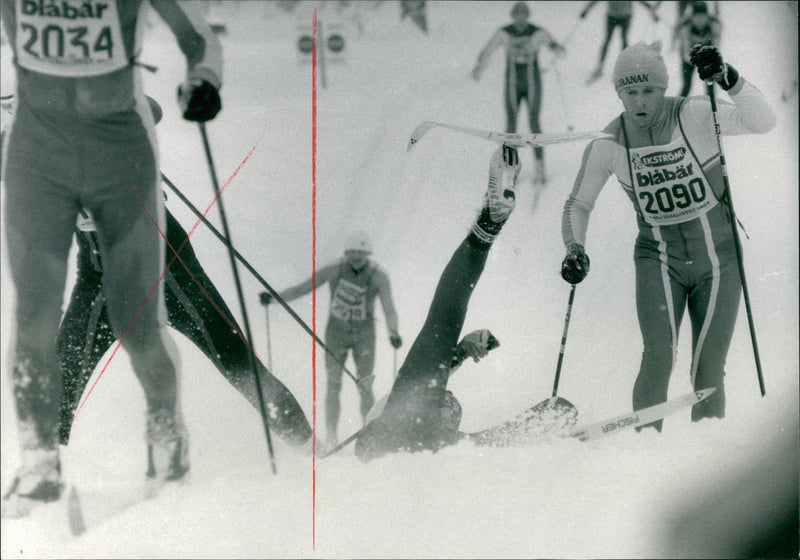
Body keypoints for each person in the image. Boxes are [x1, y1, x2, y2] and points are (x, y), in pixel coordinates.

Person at [1, 0, 222, 518]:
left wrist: (205, 77)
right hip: (38, 155)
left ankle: (168, 442)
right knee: (32, 317)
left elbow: (197, 35)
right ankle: (39, 465)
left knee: (138, 321)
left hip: (119, 152)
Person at [559, 42, 776, 430]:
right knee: (658, 355)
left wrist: (729, 79)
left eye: (649, 91)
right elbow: (577, 205)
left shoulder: (694, 113)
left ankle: (706, 454)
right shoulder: (608, 144)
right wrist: (575, 249)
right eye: (630, 92)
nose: (640, 102)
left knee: (707, 369)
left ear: (662, 89)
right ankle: (643, 451)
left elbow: (763, 121)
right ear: (619, 93)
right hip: (658, 259)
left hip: (719, 259)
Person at [57, 205, 313, 450]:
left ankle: (307, 446)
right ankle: (43, 468)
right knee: (61, 372)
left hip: (167, 267)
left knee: (235, 359)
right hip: (103, 275)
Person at [355, 145, 520, 462]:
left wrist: (459, 351)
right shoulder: (434, 431)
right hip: (402, 434)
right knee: (445, 319)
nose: (448, 400)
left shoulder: (410, 416)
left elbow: (432, 375)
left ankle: (489, 222)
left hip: (394, 433)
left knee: (444, 321)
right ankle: (488, 223)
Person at [262, 232, 401, 446]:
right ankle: (332, 434)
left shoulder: (377, 275)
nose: (356, 258)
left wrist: (393, 332)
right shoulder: (335, 269)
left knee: (365, 385)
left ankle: (369, 434)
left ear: (367, 255)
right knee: (334, 384)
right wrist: (274, 298)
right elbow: (303, 288)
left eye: (361, 254)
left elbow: (388, 307)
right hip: (336, 333)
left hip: (365, 335)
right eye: (352, 253)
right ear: (346, 253)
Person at [472, 1, 565, 185]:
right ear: (513, 16)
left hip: (532, 82)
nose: (520, 20)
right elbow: (488, 50)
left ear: (527, 16)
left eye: (523, 16)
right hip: (512, 82)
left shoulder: (536, 32)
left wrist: (557, 49)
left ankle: (539, 166)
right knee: (511, 122)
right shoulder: (504, 32)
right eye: (517, 16)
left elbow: (555, 46)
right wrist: (479, 67)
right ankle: (510, 166)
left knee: (533, 120)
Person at [581, 1, 660, 85]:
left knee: (624, 41)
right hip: (612, 16)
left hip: (625, 17)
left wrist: (652, 12)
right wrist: (586, 10)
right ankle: (599, 67)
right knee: (607, 40)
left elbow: (642, 2)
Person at [674, 1, 721, 97]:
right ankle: (678, 108)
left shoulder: (714, 27)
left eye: (703, 16)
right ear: (691, 18)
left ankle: (710, 108)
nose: (700, 20)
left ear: (707, 17)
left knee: (710, 86)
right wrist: (697, 61)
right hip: (688, 58)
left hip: (707, 58)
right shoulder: (686, 28)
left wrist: (707, 62)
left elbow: (716, 48)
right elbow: (685, 52)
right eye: (697, 17)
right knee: (687, 86)